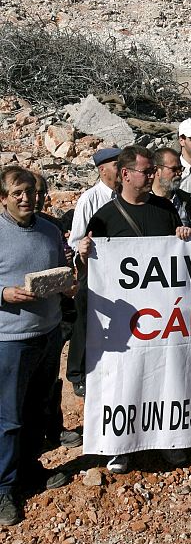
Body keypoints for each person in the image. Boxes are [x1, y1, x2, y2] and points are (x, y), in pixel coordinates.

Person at [78, 146, 191, 474]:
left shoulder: (165, 208)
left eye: (153, 169)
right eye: (146, 170)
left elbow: (181, 258)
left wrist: (183, 234)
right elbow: (93, 274)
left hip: (163, 317)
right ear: (126, 174)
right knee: (125, 381)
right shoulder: (104, 217)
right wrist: (85, 253)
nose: (153, 175)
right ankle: (120, 446)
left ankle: (169, 441)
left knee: (165, 377)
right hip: (125, 326)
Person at [0, 167, 72, 526]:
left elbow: (61, 270)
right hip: (10, 340)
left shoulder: (49, 229)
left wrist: (66, 283)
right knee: (8, 418)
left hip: (48, 334)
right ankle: (4, 488)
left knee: (36, 411)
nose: (26, 198)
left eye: (30, 191)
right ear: (3, 199)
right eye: (17, 193)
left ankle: (29, 469)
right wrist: (3, 293)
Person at [32, 173, 81, 451]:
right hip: (14, 321)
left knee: (49, 379)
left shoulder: (50, 227)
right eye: (30, 192)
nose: (35, 198)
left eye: (41, 192)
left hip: (55, 313)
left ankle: (54, 430)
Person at [67, 147, 120, 398]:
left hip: (120, 272)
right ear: (102, 170)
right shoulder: (90, 199)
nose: (122, 170)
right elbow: (75, 239)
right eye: (117, 165)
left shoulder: (128, 196)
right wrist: (83, 250)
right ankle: (77, 374)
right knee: (85, 319)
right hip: (92, 269)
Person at [153, 147, 191, 231]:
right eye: (174, 169)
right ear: (157, 171)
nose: (179, 173)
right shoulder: (144, 201)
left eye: (180, 168)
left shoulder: (186, 201)